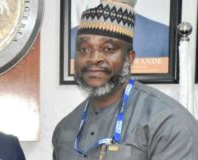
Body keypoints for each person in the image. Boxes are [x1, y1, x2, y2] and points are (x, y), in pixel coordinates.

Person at [52, 0, 198, 159]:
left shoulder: (169, 122)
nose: (94, 58)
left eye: (108, 49)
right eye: (84, 49)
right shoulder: (64, 129)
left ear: (129, 58)